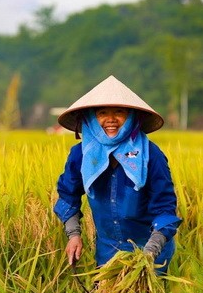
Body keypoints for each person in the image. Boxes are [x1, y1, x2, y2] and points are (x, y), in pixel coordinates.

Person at [53, 75, 182, 275]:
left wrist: (149, 253)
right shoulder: (80, 155)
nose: (110, 119)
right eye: (102, 113)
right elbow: (68, 195)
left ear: (131, 117)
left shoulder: (150, 155)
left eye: (119, 112)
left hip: (151, 253)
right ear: (91, 118)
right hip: (108, 254)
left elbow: (164, 207)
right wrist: (73, 234)